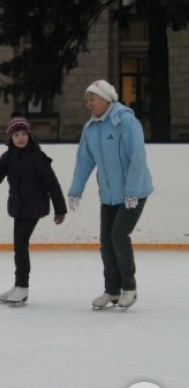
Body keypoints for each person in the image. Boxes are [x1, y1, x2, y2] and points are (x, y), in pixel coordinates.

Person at [68, 79, 153, 310]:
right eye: (87, 99)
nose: (88, 104)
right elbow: (84, 161)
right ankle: (112, 290)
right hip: (108, 194)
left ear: (106, 99)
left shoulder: (125, 121)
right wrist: (76, 189)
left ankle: (129, 288)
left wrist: (133, 192)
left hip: (133, 192)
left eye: (92, 99)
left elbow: (137, 157)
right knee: (106, 241)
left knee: (118, 235)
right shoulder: (91, 127)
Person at [0, 112, 67, 306]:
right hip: (19, 207)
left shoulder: (38, 157)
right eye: (16, 135)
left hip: (35, 206)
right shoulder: (8, 158)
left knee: (21, 245)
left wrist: (60, 209)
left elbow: (52, 183)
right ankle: (18, 285)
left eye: (23, 134)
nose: (20, 138)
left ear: (29, 135)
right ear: (10, 138)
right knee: (18, 246)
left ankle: (22, 287)